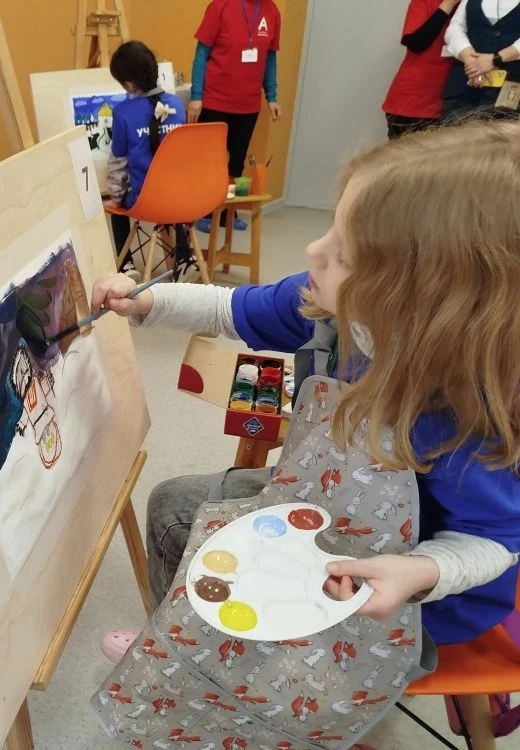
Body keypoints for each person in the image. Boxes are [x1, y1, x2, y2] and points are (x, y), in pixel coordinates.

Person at [94, 120, 520, 704]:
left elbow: (495, 541)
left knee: (202, 531)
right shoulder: (333, 302)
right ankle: (193, 648)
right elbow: (229, 309)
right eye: (331, 230)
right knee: (175, 506)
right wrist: (146, 299)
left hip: (410, 587)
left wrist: (418, 573)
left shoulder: (468, 412)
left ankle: (221, 679)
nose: (313, 251)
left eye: (344, 254)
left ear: (418, 300)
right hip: (334, 505)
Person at [188, 0, 282, 233]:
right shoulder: (220, 6)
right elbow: (201, 53)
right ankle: (205, 211)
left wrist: (271, 96)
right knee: (211, 160)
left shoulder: (272, 11)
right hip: (215, 99)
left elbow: (270, 58)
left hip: (248, 104)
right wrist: (196, 95)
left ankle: (227, 212)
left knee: (236, 162)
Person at [105, 41, 187, 276]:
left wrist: (116, 198)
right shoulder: (176, 104)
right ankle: (184, 256)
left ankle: (126, 265)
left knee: (116, 207)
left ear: (129, 84)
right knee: (169, 195)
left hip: (145, 199)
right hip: (182, 197)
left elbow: (118, 165)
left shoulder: (123, 112)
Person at [383, 0, 460, 139]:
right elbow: (416, 43)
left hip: (452, 105)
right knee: (406, 153)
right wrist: (449, 4)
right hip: (413, 104)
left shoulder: (475, 5)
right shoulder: (424, 2)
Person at [443, 0, 520, 119]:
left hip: (511, 81)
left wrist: (495, 59)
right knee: (454, 127)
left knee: (503, 128)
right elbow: (454, 29)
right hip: (466, 80)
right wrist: (470, 59)